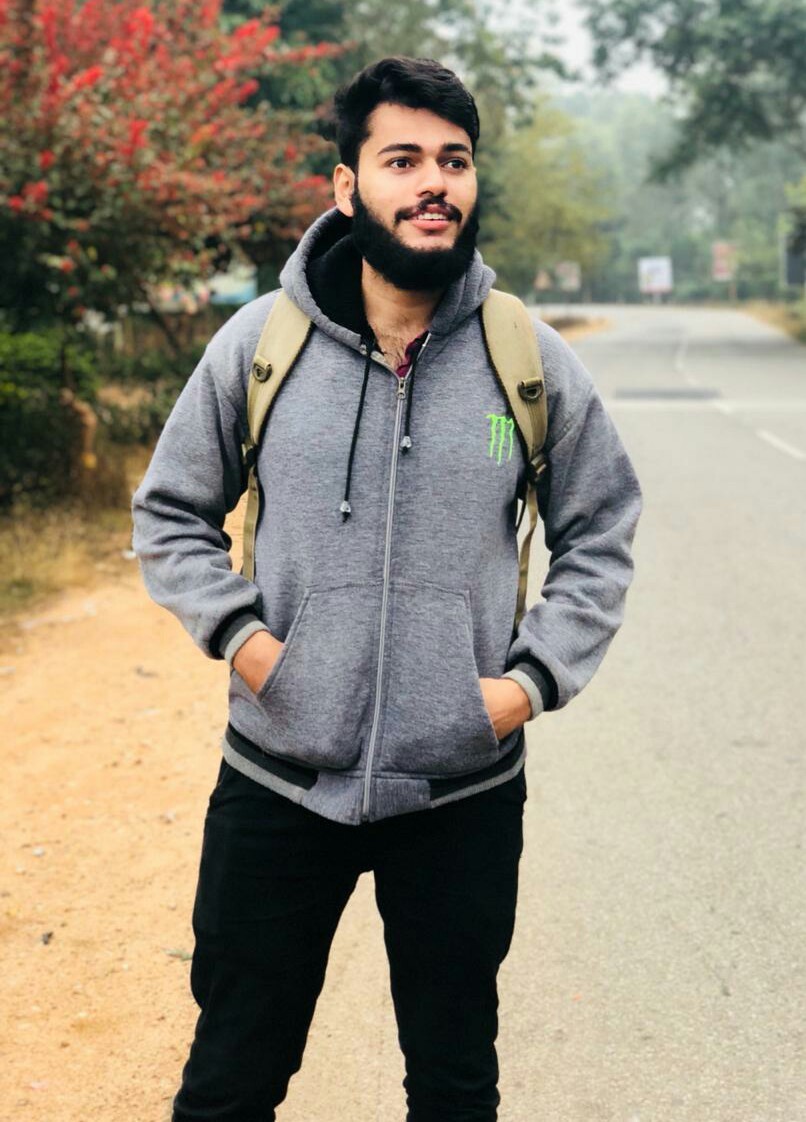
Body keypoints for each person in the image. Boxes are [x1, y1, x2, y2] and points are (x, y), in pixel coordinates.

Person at [132, 56, 641, 1122]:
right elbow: (170, 513)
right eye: (401, 159)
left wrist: (523, 685)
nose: (433, 184)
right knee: (229, 1082)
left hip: (461, 792)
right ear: (346, 184)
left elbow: (599, 531)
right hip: (277, 780)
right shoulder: (260, 345)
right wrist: (252, 646)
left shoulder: (525, 358)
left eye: (453, 161)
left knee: (454, 1088)